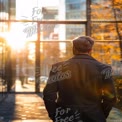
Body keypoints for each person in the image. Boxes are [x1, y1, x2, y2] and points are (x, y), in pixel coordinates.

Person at [43, 36, 116, 122]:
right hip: (94, 116)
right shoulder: (104, 68)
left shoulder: (58, 68)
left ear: (73, 49)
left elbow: (48, 95)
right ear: (90, 50)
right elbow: (111, 97)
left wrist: (54, 115)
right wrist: (101, 114)